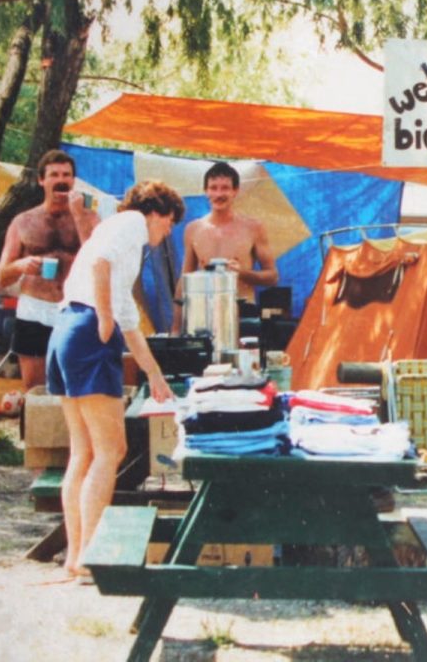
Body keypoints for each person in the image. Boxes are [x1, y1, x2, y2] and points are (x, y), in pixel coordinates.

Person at [45, 180, 184, 578]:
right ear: (155, 211)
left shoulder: (122, 236)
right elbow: (100, 265)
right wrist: (103, 317)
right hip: (88, 328)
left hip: (67, 327)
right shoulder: (131, 224)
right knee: (111, 450)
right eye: (169, 222)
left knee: (84, 452)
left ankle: (76, 556)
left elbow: (129, 321)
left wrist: (154, 373)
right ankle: (90, 555)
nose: (167, 231)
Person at [0, 150, 99, 390]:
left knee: (76, 385)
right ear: (42, 180)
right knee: (34, 388)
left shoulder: (90, 218)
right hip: (34, 309)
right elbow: (2, 275)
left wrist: (81, 217)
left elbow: (98, 260)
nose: (61, 180)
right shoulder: (23, 221)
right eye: (54, 175)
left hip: (74, 308)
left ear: (74, 181)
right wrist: (21, 265)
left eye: (67, 175)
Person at [172, 161, 278, 331]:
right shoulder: (193, 229)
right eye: (213, 187)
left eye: (225, 188)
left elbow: (272, 277)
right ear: (206, 191)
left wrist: (241, 273)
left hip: (242, 315)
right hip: (202, 316)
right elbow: (184, 280)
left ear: (235, 191)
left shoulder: (253, 227)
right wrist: (176, 328)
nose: (218, 193)